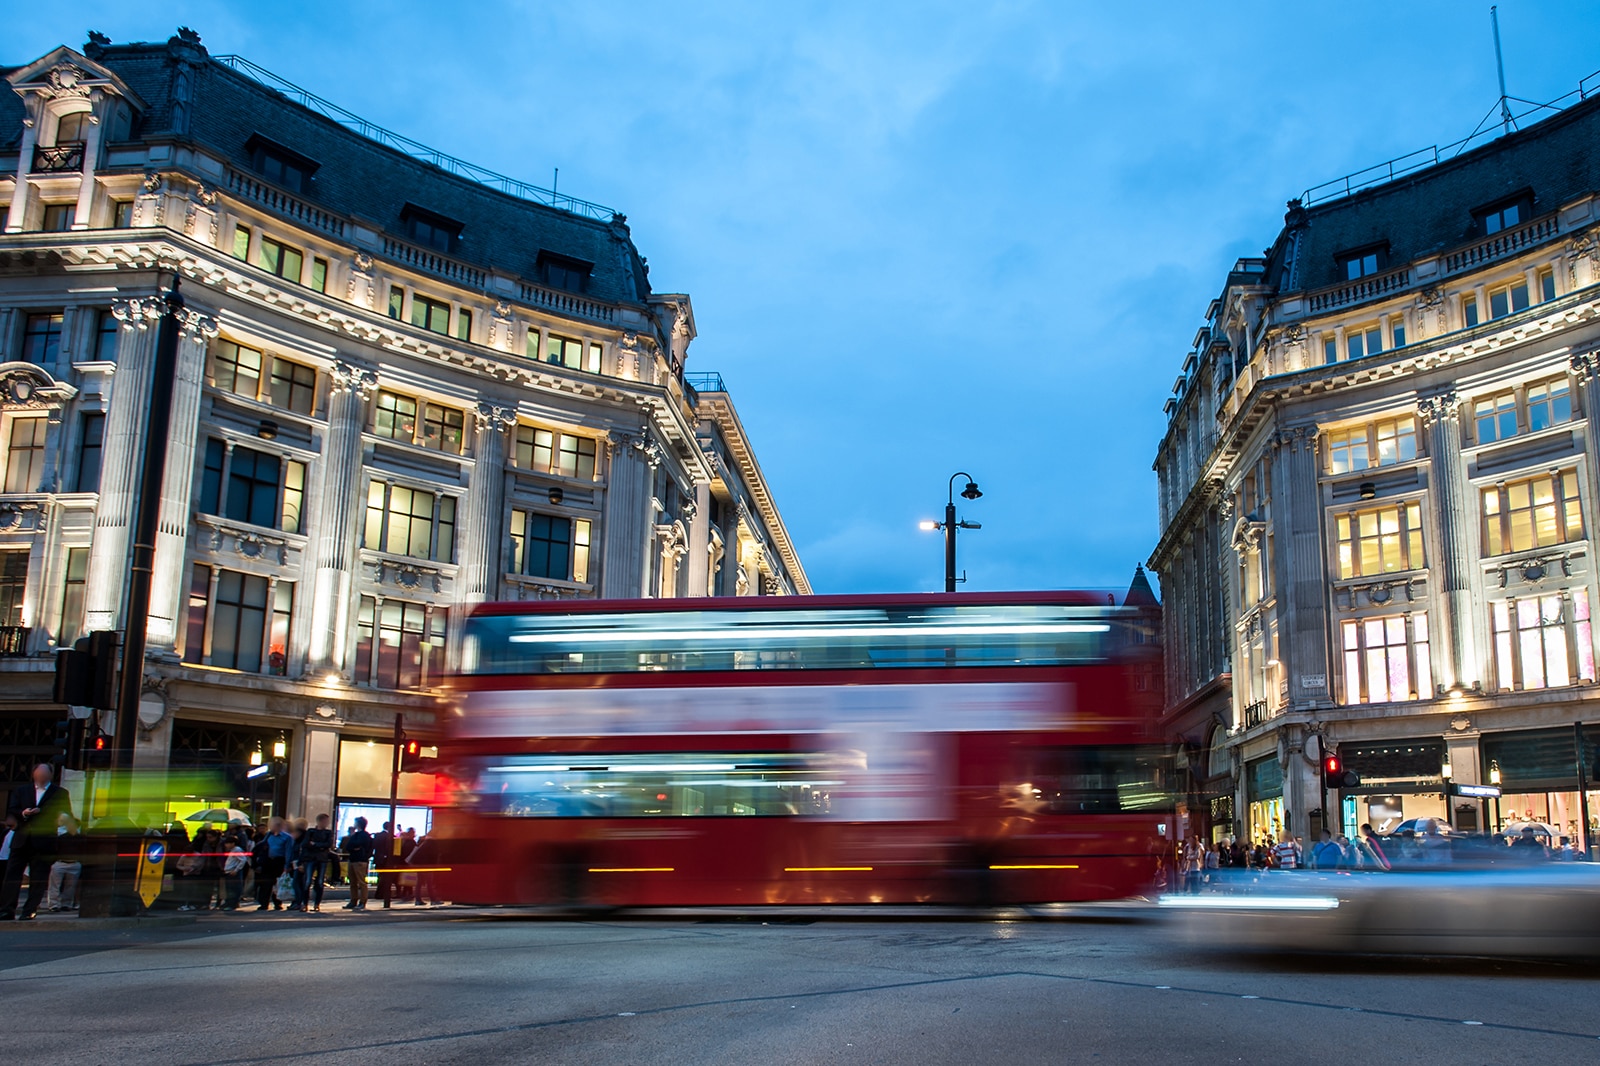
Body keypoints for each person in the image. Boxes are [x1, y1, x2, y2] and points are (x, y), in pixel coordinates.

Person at [1, 764, 73, 920]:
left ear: (50, 776)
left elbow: (65, 812)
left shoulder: (59, 793)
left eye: (44, 774)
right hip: (22, 839)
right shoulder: (22, 791)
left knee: (38, 878)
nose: (41, 776)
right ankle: (7, 909)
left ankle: (29, 910)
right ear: (34, 774)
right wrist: (24, 813)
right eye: (39, 773)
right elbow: (12, 809)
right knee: (12, 876)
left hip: (44, 841)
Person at [45, 814, 82, 912]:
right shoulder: (63, 837)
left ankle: (64, 904)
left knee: (68, 886)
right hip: (63, 862)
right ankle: (55, 905)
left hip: (71, 863)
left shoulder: (79, 838)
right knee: (57, 885)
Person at [339, 817, 375, 911]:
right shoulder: (359, 835)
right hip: (355, 859)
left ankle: (362, 901)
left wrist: (355, 847)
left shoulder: (362, 835)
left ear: (358, 824)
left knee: (360, 882)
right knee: (353, 882)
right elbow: (349, 846)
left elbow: (352, 845)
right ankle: (354, 900)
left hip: (359, 860)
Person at [301, 814, 335, 912]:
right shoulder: (311, 831)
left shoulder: (328, 833)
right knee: (307, 881)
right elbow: (305, 844)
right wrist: (321, 846)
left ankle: (316, 904)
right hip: (313, 858)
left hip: (321, 858)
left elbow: (328, 844)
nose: (327, 823)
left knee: (319, 882)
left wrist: (315, 844)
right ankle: (305, 903)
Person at [257, 817, 292, 911]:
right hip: (268, 861)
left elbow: (288, 851)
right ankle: (264, 903)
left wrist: (287, 865)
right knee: (266, 883)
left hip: (279, 861)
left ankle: (277, 902)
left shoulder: (286, 837)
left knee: (277, 883)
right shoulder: (268, 835)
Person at [374, 821, 398, 908]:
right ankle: (382, 894)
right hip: (387, 860)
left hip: (378, 859)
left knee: (380, 877)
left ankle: (379, 893)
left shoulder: (377, 835)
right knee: (386, 878)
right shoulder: (391, 837)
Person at [222, 833, 250, 910]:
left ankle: (232, 904)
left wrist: (236, 870)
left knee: (233, 889)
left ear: (233, 843)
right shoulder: (232, 850)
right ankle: (229, 903)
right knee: (229, 889)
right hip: (228, 871)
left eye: (227, 843)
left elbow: (243, 860)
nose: (226, 845)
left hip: (233, 872)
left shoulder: (237, 850)